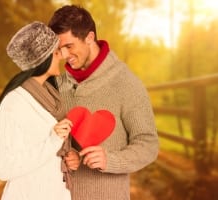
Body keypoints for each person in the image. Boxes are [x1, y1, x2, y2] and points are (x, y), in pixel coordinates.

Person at [48, 5, 159, 200]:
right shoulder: (55, 85)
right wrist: (65, 153)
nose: (64, 56)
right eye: (59, 48)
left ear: (90, 38)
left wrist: (111, 160)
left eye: (69, 46)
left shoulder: (126, 84)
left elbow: (148, 144)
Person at [0, 21, 72, 200]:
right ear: (43, 59)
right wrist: (52, 141)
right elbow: (3, 168)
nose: (62, 56)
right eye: (56, 52)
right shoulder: (14, 102)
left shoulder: (52, 96)